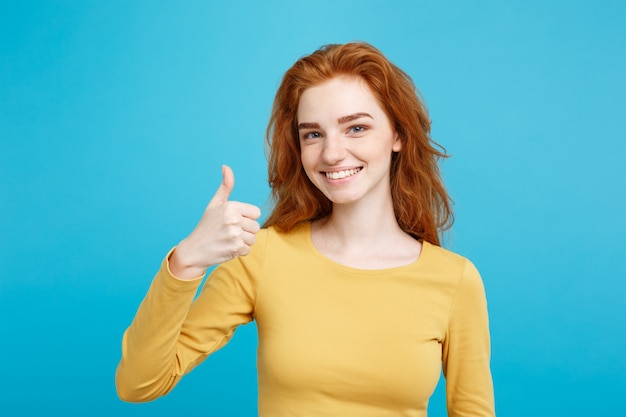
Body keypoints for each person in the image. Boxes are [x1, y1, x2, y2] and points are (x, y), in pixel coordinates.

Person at [116, 42, 495, 416]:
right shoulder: (262, 256)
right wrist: (187, 261)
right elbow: (139, 383)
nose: (331, 153)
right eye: (313, 134)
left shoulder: (454, 280)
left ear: (398, 135)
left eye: (356, 128)